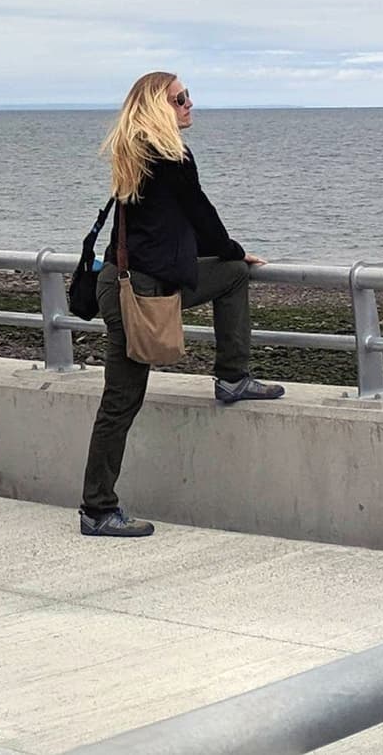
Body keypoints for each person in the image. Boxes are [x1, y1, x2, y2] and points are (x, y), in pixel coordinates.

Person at [77, 70, 280, 538]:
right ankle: (97, 508)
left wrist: (223, 255)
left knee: (229, 277)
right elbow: (199, 212)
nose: (189, 104)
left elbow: (166, 224)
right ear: (157, 107)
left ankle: (233, 377)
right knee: (122, 400)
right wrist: (231, 250)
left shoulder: (136, 153)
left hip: (123, 281)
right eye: (180, 98)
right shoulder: (169, 156)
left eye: (187, 96)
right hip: (143, 292)